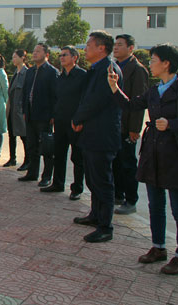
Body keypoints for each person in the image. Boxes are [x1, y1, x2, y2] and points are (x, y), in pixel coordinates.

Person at [108, 43, 178, 274]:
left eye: (153, 60)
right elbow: (131, 105)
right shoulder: (154, 90)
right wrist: (114, 87)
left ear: (166, 63)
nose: (150, 64)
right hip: (152, 154)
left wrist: (172, 124)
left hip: (175, 156)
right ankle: (158, 247)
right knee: (155, 206)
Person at [72, 31, 123, 243]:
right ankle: (95, 215)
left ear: (101, 48)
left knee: (103, 181)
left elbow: (97, 101)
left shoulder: (109, 70)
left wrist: (78, 118)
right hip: (91, 133)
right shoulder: (97, 69)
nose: (85, 49)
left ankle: (105, 226)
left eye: (89, 45)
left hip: (103, 134)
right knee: (93, 179)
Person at [41, 46, 86, 199]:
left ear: (74, 57)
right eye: (60, 55)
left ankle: (77, 188)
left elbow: (85, 100)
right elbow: (56, 99)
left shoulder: (82, 76)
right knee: (59, 154)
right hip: (60, 121)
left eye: (65, 55)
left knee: (77, 157)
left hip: (75, 122)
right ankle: (58, 183)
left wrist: (80, 119)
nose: (61, 58)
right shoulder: (60, 77)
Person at [112, 34, 149, 215]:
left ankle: (131, 199)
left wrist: (135, 129)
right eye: (115, 44)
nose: (116, 47)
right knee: (116, 163)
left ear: (131, 48)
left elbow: (138, 102)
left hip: (127, 126)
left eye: (120, 45)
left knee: (127, 164)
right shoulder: (114, 67)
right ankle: (117, 195)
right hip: (114, 124)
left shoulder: (137, 70)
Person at [18, 43, 58, 187]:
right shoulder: (30, 71)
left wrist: (53, 115)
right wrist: (24, 110)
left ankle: (46, 176)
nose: (34, 53)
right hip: (30, 115)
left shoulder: (52, 72)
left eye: (38, 51)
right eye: (34, 51)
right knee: (31, 146)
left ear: (46, 55)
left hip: (44, 116)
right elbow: (25, 92)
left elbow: (56, 95)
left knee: (46, 148)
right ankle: (32, 173)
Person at [5, 49, 28, 168]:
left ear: (22, 58)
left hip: (19, 110)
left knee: (24, 136)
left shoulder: (26, 73)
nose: (13, 59)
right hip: (12, 109)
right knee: (11, 135)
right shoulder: (16, 73)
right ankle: (12, 158)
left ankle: (27, 160)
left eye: (15, 57)